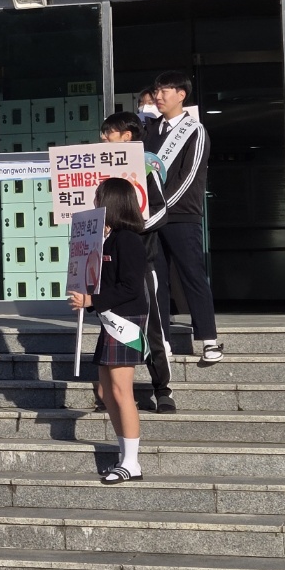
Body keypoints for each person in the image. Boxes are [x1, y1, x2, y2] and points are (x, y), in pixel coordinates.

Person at [68, 178, 149, 484]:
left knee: (120, 390)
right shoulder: (109, 239)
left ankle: (131, 462)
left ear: (112, 202)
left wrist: (92, 300)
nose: (94, 204)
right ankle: (124, 455)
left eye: (98, 198)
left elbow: (130, 287)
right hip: (111, 317)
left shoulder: (128, 240)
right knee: (106, 389)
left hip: (125, 319)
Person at [145, 72, 223, 365]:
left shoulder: (195, 131)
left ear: (181, 94)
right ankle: (161, 341)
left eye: (165, 90)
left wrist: (161, 206)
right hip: (151, 218)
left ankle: (209, 340)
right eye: (156, 90)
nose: (158, 96)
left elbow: (189, 175)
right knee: (156, 280)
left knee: (192, 275)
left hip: (181, 215)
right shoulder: (150, 131)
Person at [100, 111, 175, 412]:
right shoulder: (99, 167)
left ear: (127, 136)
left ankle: (163, 389)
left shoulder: (144, 165)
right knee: (108, 324)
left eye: (109, 132)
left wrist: (131, 228)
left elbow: (161, 211)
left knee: (152, 327)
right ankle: (111, 393)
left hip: (140, 262)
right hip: (106, 263)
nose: (103, 138)